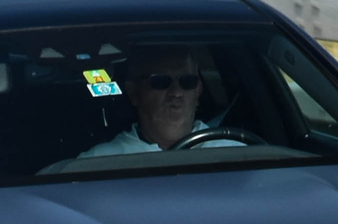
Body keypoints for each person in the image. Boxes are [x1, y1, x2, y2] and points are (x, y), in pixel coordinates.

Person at [73, 50, 242, 158]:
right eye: (161, 82)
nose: (176, 93)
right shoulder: (98, 163)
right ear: (134, 93)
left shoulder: (238, 156)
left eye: (187, 82)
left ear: (198, 91)